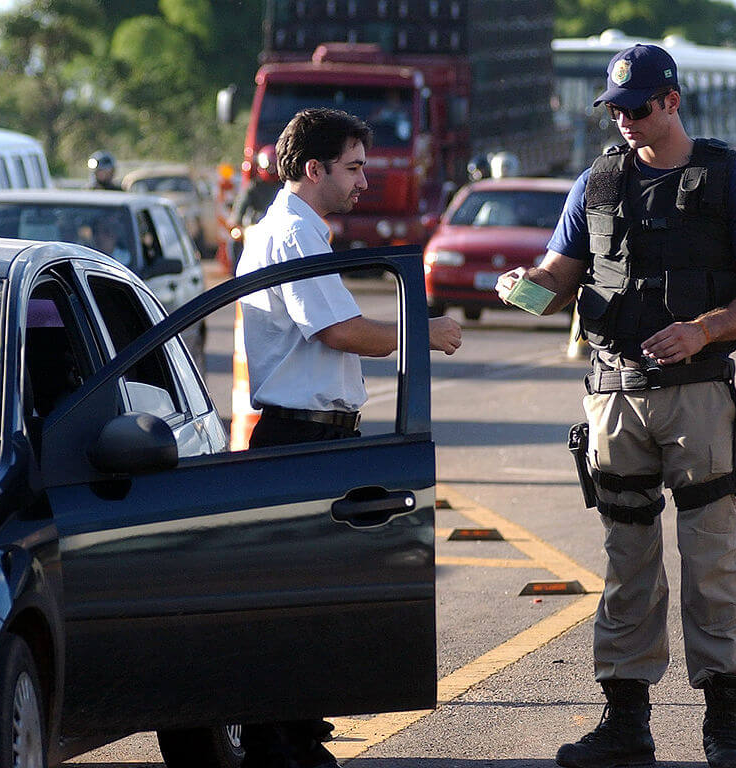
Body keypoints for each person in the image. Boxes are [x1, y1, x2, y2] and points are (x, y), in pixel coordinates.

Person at [494, 44, 736, 768]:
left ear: (673, 101)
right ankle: (627, 725)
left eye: (640, 106)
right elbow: (554, 286)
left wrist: (705, 329)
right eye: (616, 108)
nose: (625, 119)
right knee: (627, 557)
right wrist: (516, 290)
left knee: (711, 555)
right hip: (614, 396)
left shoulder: (731, 180)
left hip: (697, 398)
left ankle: (724, 728)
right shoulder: (595, 184)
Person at [235, 107, 462, 768]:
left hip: (313, 439)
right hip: (297, 441)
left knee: (310, 599)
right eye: (355, 167)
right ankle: (279, 744)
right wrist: (426, 331)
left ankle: (296, 734)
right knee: (294, 603)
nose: (364, 182)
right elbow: (337, 331)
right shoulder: (294, 233)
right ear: (315, 168)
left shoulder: (295, 229)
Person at [228, 144, 281, 271]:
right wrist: (236, 222)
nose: (271, 169)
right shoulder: (253, 187)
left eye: (274, 166)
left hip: (279, 227)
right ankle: (236, 274)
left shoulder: (285, 187)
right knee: (234, 241)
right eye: (269, 166)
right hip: (254, 226)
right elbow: (241, 205)